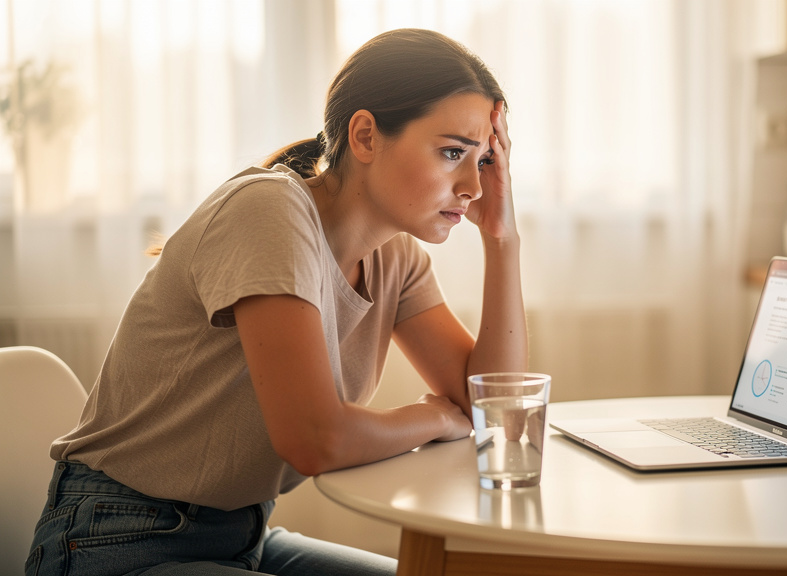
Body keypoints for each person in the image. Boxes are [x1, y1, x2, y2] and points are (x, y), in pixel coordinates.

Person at [26, 28, 526, 576]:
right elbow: (316, 441)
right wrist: (430, 416)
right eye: (453, 151)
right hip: (115, 540)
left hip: (243, 535)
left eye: (482, 160)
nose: (473, 187)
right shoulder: (269, 209)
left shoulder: (395, 259)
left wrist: (502, 240)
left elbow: (493, 407)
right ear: (364, 136)